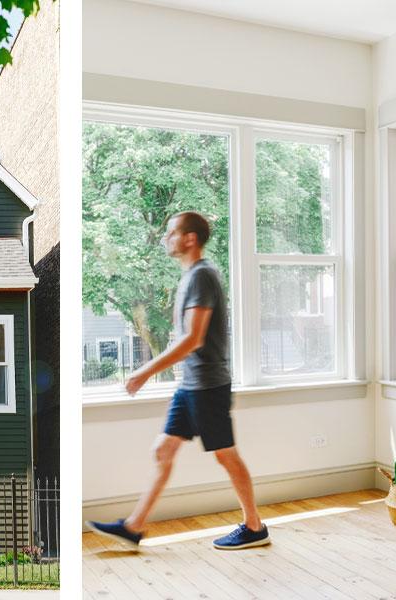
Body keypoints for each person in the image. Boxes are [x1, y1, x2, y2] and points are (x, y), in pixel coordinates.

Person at [86, 211, 269, 551]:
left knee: (226, 455)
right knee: (164, 449)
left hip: (209, 385)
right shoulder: (190, 278)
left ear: (189, 239)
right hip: (191, 385)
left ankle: (254, 526)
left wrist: (144, 372)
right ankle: (133, 527)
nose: (165, 238)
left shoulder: (202, 276)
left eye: (171, 232)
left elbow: (193, 340)